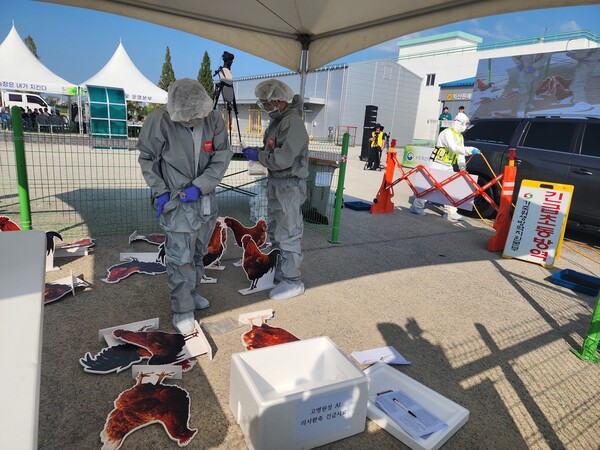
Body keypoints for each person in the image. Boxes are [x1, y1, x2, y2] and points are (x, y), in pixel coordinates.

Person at [137, 78, 232, 334]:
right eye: (188, 115)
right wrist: (160, 192)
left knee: (200, 252)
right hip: (176, 201)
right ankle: (182, 308)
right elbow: (147, 158)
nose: (193, 119)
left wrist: (201, 186)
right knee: (180, 257)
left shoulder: (213, 119)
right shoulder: (160, 120)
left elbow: (221, 156)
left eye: (197, 115)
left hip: (204, 200)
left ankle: (191, 293)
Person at [241, 78, 308, 301]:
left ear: (279, 101)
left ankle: (293, 281)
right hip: (278, 184)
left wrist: (259, 156)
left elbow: (284, 158)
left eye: (266, 104)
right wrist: (259, 151)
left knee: (289, 233)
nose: (265, 108)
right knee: (278, 232)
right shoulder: (279, 122)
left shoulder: (292, 123)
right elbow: (273, 148)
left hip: (289, 185)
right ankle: (281, 272)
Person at [410, 112, 480, 221]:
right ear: (459, 122)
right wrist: (470, 150)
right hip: (436, 163)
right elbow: (453, 148)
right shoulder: (447, 133)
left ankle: (451, 212)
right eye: (465, 124)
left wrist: (462, 165)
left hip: (448, 165)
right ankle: (417, 206)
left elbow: (459, 153)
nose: (465, 126)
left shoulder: (460, 136)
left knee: (451, 189)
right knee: (428, 186)